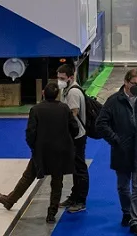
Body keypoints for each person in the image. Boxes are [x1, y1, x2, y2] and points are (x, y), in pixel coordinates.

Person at [0, 82, 78, 224]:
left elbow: (30, 132)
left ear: (43, 93)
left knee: (28, 177)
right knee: (57, 182)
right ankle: (51, 213)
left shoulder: (36, 109)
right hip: (61, 151)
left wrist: (34, 147)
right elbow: (74, 128)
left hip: (42, 151)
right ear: (57, 94)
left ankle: (10, 200)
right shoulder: (64, 108)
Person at [96, 69, 137, 236]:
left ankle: (135, 220)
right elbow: (101, 123)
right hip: (122, 151)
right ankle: (126, 211)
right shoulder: (113, 101)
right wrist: (115, 139)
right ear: (126, 82)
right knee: (123, 187)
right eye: (134, 84)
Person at [56, 65, 89, 212]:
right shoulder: (67, 89)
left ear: (70, 77)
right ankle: (74, 196)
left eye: (62, 78)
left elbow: (73, 113)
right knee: (75, 167)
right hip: (73, 135)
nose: (59, 81)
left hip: (77, 136)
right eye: (58, 77)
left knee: (80, 168)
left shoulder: (73, 92)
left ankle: (80, 200)